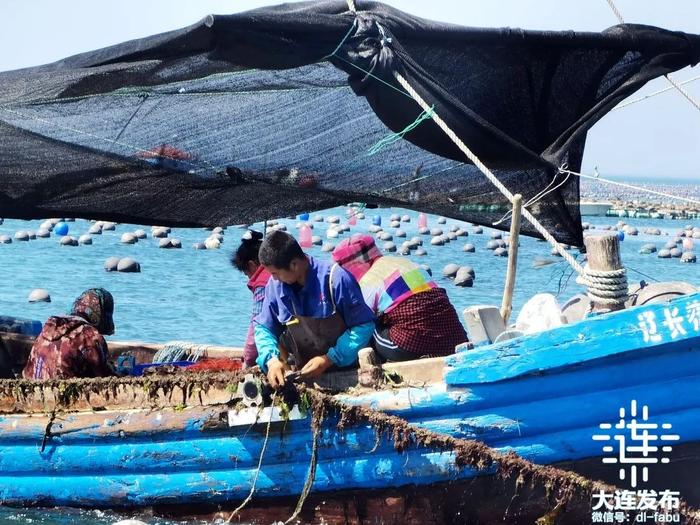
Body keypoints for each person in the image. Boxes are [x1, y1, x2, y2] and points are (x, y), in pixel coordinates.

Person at [254, 231, 375, 388]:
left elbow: (364, 326)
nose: (274, 278)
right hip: (304, 374)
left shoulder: (336, 279)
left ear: (294, 264)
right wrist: (271, 361)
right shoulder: (275, 286)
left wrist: (329, 359)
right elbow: (264, 328)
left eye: (276, 273)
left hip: (350, 372)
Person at [332, 234, 467, 362]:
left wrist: (334, 356)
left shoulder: (368, 281)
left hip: (412, 343)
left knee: (365, 330)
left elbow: (361, 323)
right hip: (454, 339)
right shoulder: (405, 262)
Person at [22, 288, 115, 379]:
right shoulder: (89, 335)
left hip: (33, 391)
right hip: (64, 392)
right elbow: (106, 377)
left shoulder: (49, 328)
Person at [231, 229, 271, 368]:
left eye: (245, 272)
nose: (247, 276)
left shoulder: (262, 283)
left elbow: (257, 324)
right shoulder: (275, 271)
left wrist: (248, 360)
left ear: (252, 265)